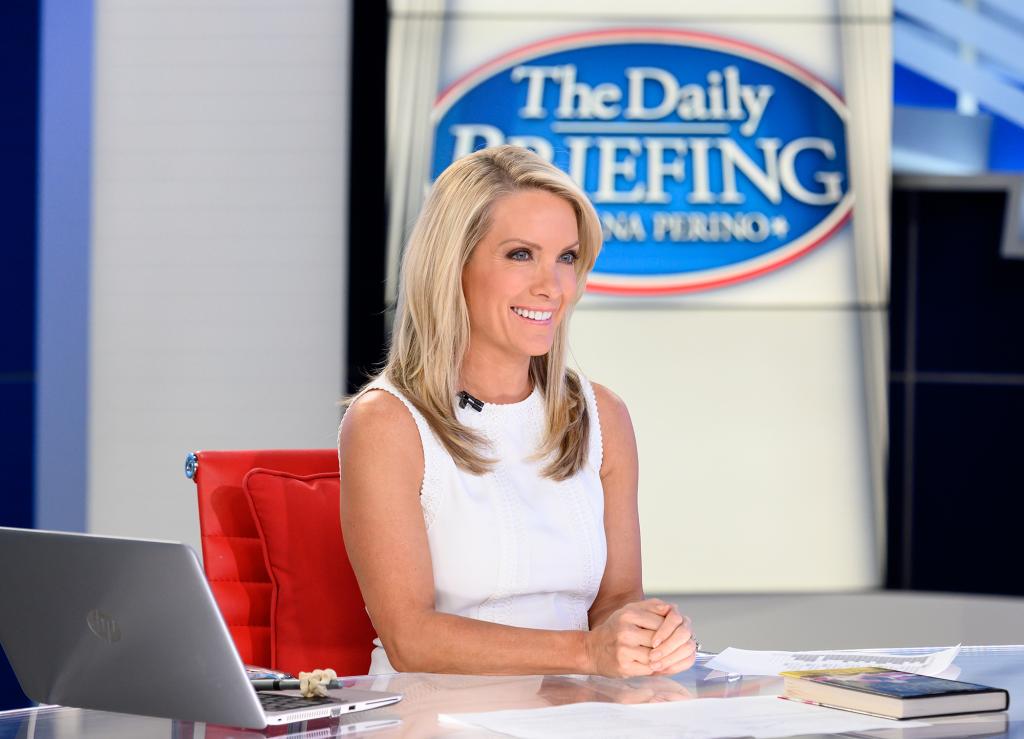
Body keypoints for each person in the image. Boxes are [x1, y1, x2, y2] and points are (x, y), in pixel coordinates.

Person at [338, 145, 696, 677]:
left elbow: (617, 597)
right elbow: (410, 638)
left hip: (577, 711)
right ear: (452, 265)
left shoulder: (603, 416)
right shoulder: (386, 423)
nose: (552, 287)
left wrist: (646, 633)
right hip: (432, 716)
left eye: (567, 258)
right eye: (520, 254)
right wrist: (586, 653)